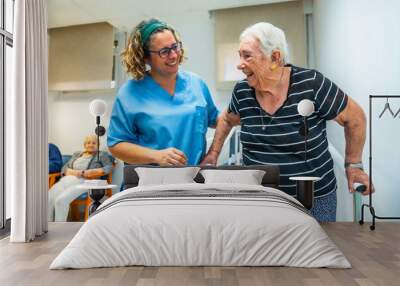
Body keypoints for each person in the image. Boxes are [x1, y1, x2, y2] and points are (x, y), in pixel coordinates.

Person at [201, 22, 371, 222]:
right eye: (239, 55)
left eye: (247, 56)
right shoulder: (242, 91)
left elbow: (355, 118)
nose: (239, 64)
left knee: (314, 250)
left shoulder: (311, 84)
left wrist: (354, 165)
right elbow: (227, 119)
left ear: (275, 57)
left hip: (313, 199)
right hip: (261, 200)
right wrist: (213, 154)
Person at [107, 18, 219, 166]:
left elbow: (218, 119)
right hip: (149, 182)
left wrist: (214, 152)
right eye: (164, 51)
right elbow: (116, 144)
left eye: (175, 47)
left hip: (194, 180)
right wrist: (156, 156)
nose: (173, 55)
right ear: (146, 57)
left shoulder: (196, 83)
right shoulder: (130, 92)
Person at [48, 135, 113, 221]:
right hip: (65, 180)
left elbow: (108, 167)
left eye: (94, 143)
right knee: (48, 199)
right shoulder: (77, 154)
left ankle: (60, 226)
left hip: (84, 183)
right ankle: (49, 226)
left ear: (98, 145)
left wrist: (88, 173)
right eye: (88, 143)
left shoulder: (101, 155)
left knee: (60, 201)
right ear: (84, 145)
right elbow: (64, 169)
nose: (91, 145)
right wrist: (74, 172)